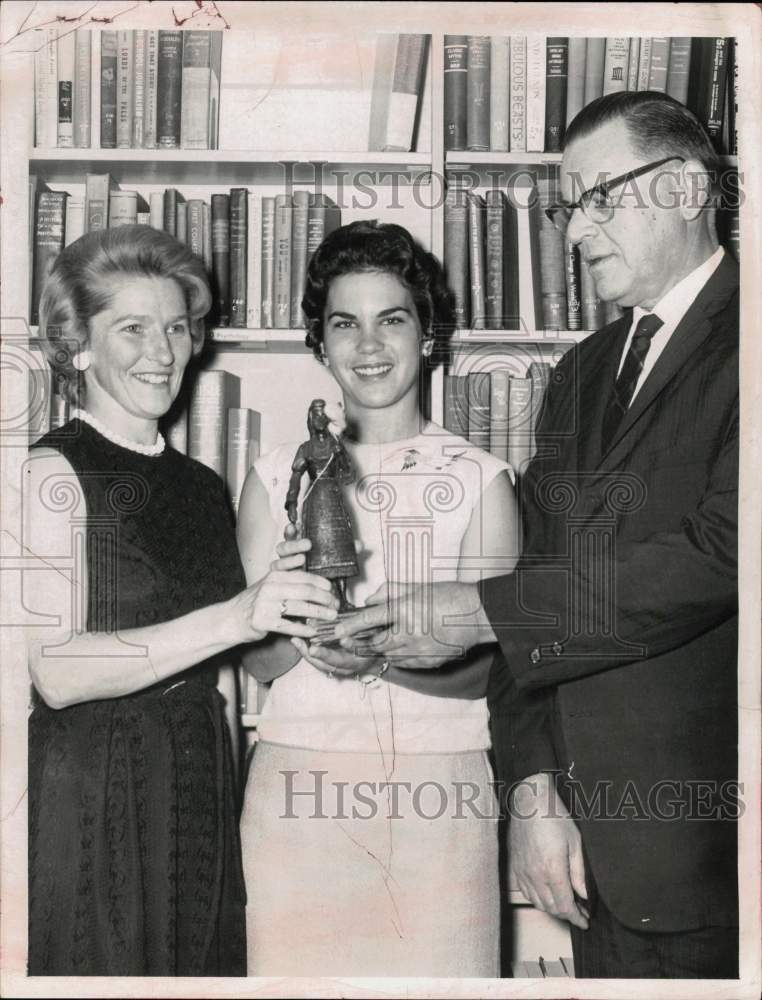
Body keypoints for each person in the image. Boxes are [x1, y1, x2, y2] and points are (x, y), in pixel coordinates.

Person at [339, 92, 739, 978]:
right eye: (568, 206)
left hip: (718, 855)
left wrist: (481, 612)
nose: (573, 231)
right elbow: (536, 575)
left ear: (683, 188)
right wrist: (530, 789)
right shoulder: (582, 373)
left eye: (600, 198)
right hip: (592, 858)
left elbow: (722, 556)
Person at [24, 225, 338, 976]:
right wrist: (238, 614)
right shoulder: (50, 472)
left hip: (197, 782)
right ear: (79, 346)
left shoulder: (201, 486)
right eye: (131, 328)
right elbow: (55, 670)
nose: (161, 351)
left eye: (174, 326)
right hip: (97, 784)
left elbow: (223, 673)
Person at [236, 220, 519, 976]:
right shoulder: (274, 475)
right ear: (320, 343)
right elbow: (258, 666)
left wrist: (375, 659)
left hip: (441, 784)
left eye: (392, 319)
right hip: (296, 782)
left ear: (428, 335)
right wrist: (286, 613)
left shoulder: (480, 478)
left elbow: (502, 666)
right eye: (344, 324)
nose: (369, 345)